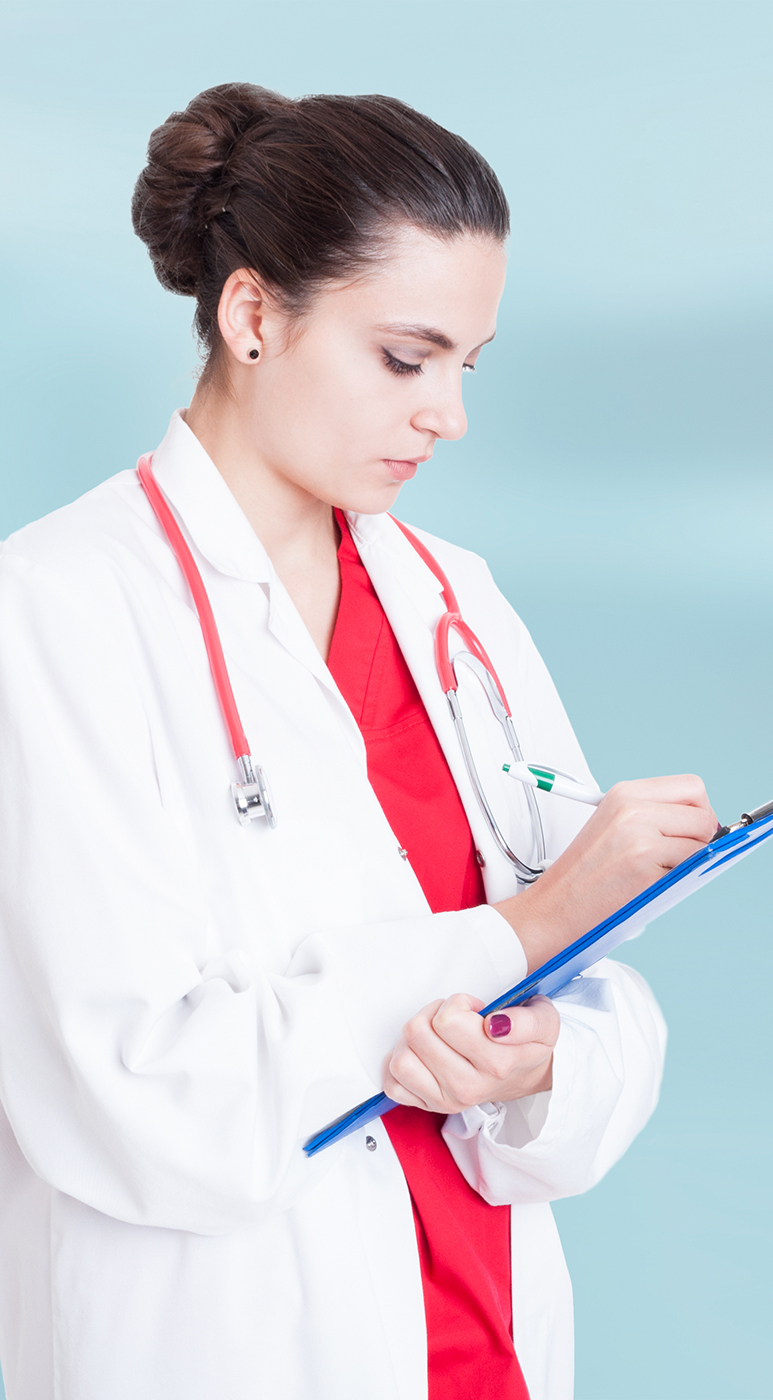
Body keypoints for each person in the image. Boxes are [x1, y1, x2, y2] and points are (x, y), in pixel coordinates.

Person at [0, 84, 718, 1400]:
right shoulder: (52, 612)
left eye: (467, 365)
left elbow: (603, 995)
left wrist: (540, 1064)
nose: (448, 415)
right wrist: (512, 938)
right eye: (407, 357)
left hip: (481, 1341)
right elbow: (130, 1097)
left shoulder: (458, 603)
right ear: (254, 314)